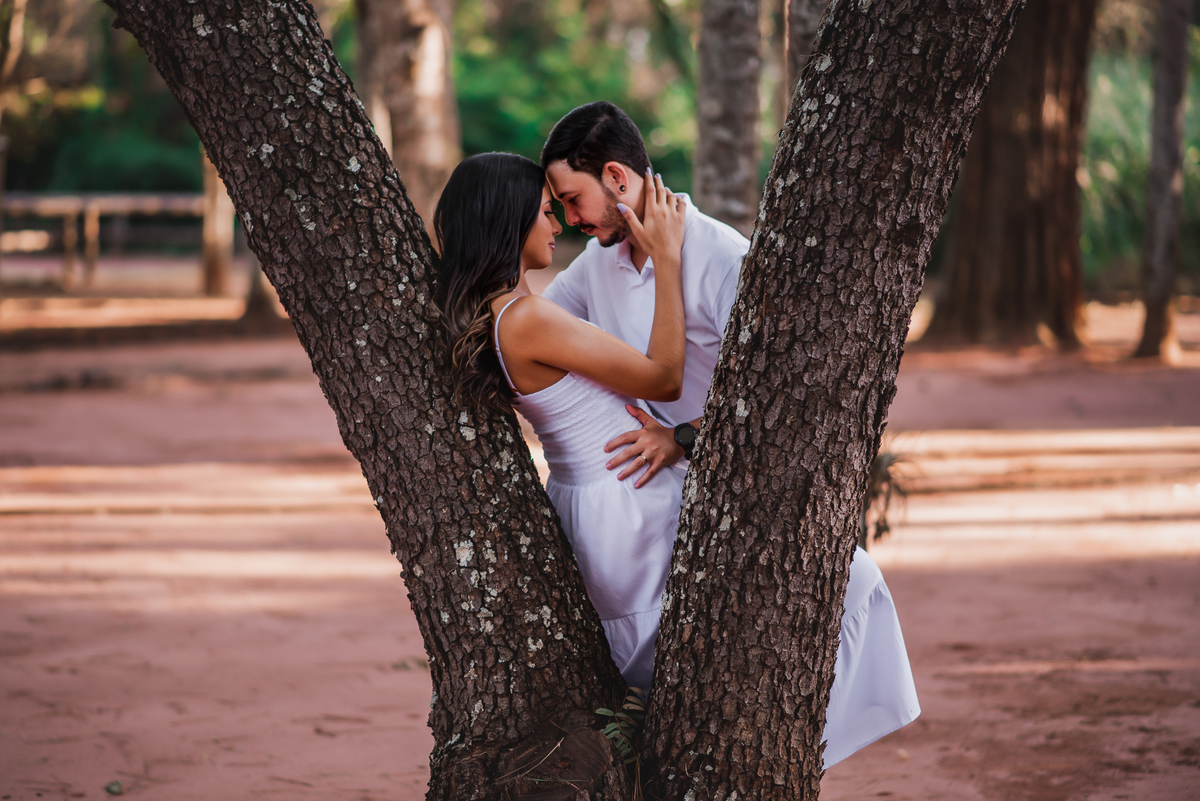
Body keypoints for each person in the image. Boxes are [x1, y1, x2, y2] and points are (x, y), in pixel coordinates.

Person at [538, 101, 920, 767]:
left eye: (573, 199)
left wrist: (681, 436)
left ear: (618, 177)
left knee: (851, 582)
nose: (571, 218)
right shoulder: (596, 266)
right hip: (638, 496)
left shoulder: (720, 255)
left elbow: (785, 392)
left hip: (722, 477)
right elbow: (536, 328)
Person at [435, 151, 690, 697]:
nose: (557, 224)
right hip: (625, 501)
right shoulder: (527, 319)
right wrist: (666, 259)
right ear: (509, 220)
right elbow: (664, 378)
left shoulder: (512, 312)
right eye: (544, 212)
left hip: (604, 495)